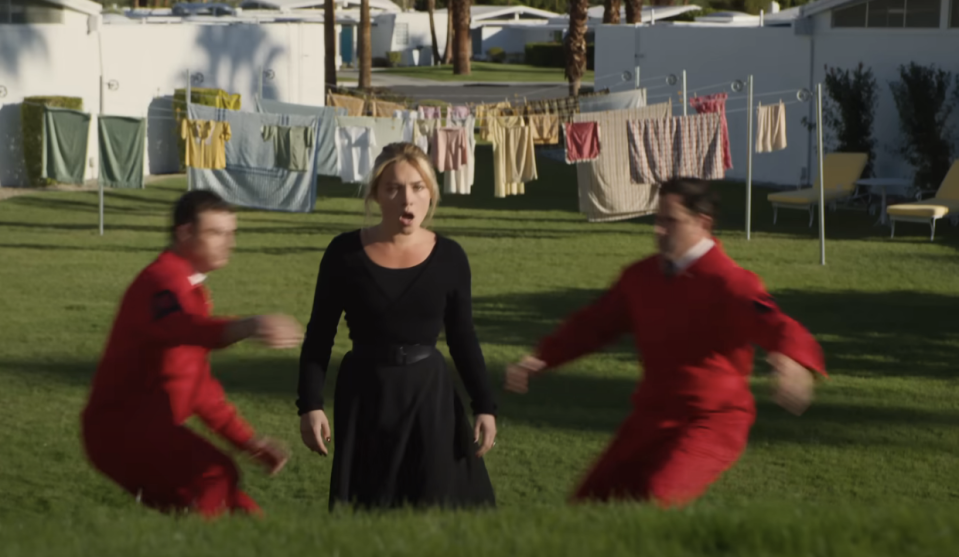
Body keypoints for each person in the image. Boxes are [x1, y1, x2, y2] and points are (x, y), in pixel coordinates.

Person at [504, 177, 827, 507]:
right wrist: (544, 357)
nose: (658, 231)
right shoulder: (641, 277)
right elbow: (594, 325)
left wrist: (792, 361)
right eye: (657, 220)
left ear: (703, 224)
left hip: (712, 420)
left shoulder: (730, 282)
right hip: (652, 415)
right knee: (590, 501)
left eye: (670, 222)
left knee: (656, 498)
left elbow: (773, 321)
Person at [297, 142, 498, 511]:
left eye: (418, 187)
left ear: (430, 192)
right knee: (371, 511)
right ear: (376, 194)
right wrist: (309, 404)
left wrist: (485, 405)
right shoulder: (344, 254)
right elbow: (320, 335)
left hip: (430, 395)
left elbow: (462, 336)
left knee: (435, 507)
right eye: (394, 188)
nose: (408, 199)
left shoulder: (450, 256)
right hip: (365, 396)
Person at [81, 190, 303, 518]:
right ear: (185, 233)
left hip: (142, 432)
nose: (229, 243)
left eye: (232, 233)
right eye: (216, 233)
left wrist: (249, 442)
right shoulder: (161, 283)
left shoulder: (188, 288)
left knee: (238, 506)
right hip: (121, 431)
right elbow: (187, 328)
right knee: (217, 475)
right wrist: (247, 326)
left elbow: (198, 387)